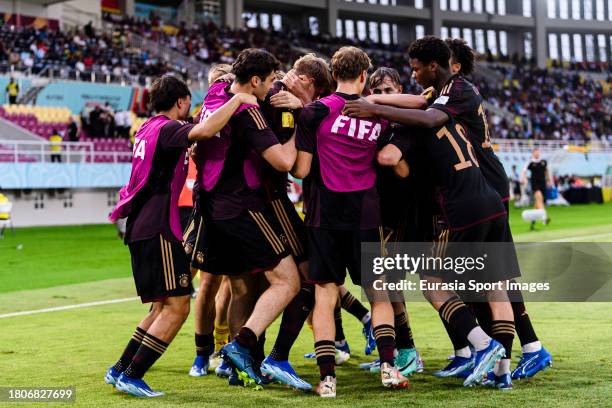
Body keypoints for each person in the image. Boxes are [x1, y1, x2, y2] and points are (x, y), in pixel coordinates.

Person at [344, 36, 513, 389]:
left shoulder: (431, 112)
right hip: (491, 198)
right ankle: (503, 372)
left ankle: (481, 347)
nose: (414, 73)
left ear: (432, 66)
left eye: (417, 68)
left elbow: (410, 135)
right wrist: (374, 100)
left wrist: (374, 109)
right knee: (495, 288)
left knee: (433, 283)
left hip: (461, 207)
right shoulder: (444, 97)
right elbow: (418, 104)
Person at [105, 74, 258, 398]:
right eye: (188, 101)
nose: (190, 107)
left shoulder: (146, 128)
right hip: (160, 226)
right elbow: (203, 130)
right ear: (180, 101)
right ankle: (133, 375)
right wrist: (238, 99)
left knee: (161, 307)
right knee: (177, 307)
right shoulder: (168, 128)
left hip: (141, 226)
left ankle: (120, 369)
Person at [293, 46, 409, 397]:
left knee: (325, 294)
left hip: (324, 214)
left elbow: (300, 170)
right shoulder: (379, 115)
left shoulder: (314, 112)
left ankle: (327, 379)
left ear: (333, 73)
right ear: (363, 77)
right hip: (365, 214)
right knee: (378, 294)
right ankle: (389, 368)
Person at [194, 49, 301, 388]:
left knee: (242, 287)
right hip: (242, 207)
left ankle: (239, 368)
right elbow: (284, 162)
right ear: (255, 80)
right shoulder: (248, 110)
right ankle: (241, 347)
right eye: (270, 81)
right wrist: (301, 126)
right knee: (289, 281)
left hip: (212, 208)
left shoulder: (215, 97)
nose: (272, 88)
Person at [522, 148, 552, 227]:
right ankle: (544, 218)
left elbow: (546, 171)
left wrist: (549, 181)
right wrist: (524, 179)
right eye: (535, 152)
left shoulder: (543, 162)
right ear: (533, 153)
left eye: (538, 152)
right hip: (535, 184)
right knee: (539, 198)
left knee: (537, 204)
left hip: (543, 184)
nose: (537, 153)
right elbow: (524, 171)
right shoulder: (530, 162)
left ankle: (533, 221)